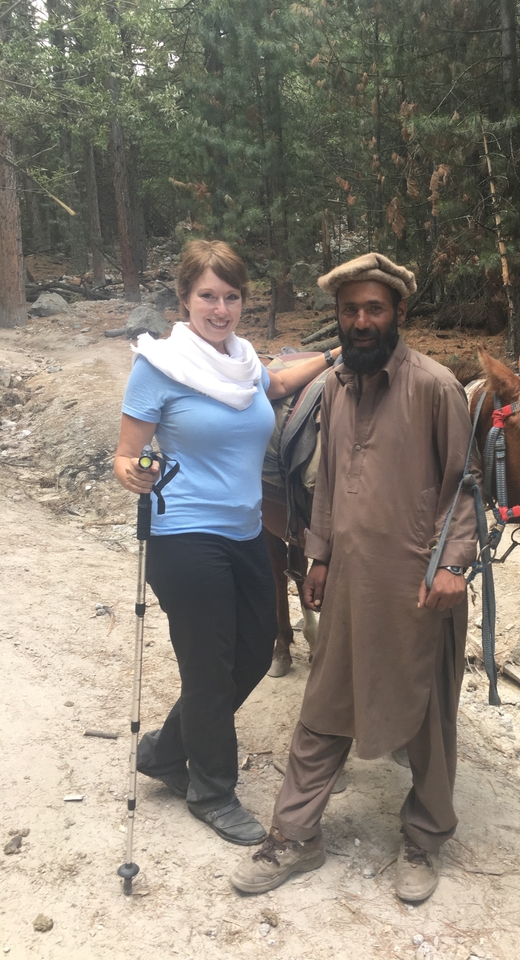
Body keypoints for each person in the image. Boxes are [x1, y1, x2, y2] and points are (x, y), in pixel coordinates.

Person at [230, 252, 478, 900]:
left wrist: (454, 564)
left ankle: (424, 838)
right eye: (350, 310)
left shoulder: (435, 386)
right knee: (324, 706)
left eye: (374, 308)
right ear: (338, 317)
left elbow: (465, 487)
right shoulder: (337, 386)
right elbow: (332, 485)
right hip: (346, 582)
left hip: (421, 586)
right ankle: (295, 834)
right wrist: (317, 556)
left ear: (398, 312)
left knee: (427, 717)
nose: (361, 321)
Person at [114, 240, 341, 845]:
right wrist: (133, 471)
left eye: (231, 297)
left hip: (244, 531)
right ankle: (212, 792)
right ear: (186, 299)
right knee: (210, 666)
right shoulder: (159, 366)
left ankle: (166, 751)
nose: (220, 309)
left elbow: (275, 383)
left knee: (254, 651)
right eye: (208, 296)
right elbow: (125, 452)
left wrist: (333, 354)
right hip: (184, 536)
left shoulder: (241, 363)